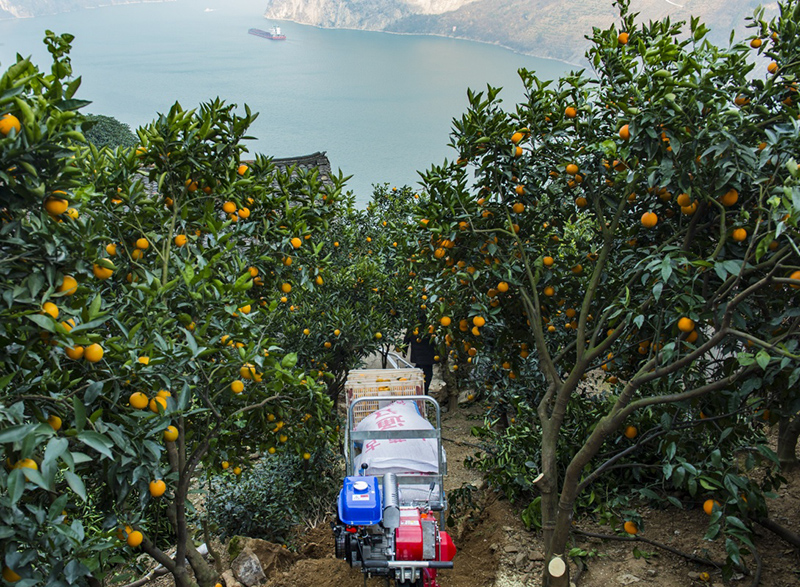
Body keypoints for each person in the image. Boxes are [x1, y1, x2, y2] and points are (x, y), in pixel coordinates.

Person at [404, 313, 436, 394]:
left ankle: (419, 392)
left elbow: (407, 336)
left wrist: (405, 348)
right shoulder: (430, 325)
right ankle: (423, 393)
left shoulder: (415, 325)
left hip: (421, 352)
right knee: (426, 373)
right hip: (426, 352)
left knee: (420, 371)